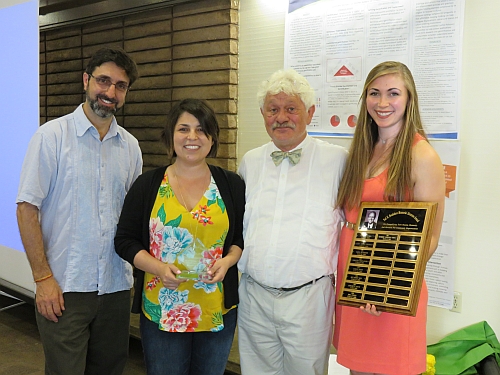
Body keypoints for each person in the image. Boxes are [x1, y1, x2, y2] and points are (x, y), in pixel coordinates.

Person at [16, 47, 142, 375]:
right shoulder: (51, 137)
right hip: (64, 288)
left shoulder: (130, 147)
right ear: (86, 80)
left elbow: (132, 218)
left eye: (120, 85)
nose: (110, 92)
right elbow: (27, 209)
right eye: (103, 81)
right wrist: (42, 279)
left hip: (115, 288)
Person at [114, 98, 245, 375]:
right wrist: (158, 267)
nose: (192, 137)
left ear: (212, 138)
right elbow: (124, 240)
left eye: (201, 129)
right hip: (162, 307)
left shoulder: (231, 184)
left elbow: (240, 239)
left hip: (216, 309)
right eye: (183, 129)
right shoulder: (148, 184)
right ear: (171, 136)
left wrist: (228, 261)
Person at [333, 61, 446, 375]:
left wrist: (385, 286)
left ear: (409, 99)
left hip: (389, 289)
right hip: (354, 281)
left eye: (393, 93)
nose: (382, 103)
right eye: (374, 93)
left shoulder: (421, 155)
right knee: (357, 369)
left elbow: (430, 236)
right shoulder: (363, 149)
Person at [237, 69, 348, 375]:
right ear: (263, 114)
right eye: (273, 109)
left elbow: (354, 224)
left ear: (310, 113)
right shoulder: (250, 161)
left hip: (309, 298)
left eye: (291, 109)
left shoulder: (338, 161)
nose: (281, 117)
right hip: (253, 295)